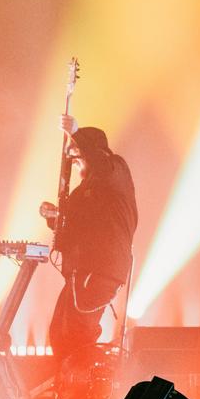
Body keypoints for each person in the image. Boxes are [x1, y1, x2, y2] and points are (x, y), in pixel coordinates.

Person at [39, 115, 138, 358]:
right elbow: (73, 228)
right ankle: (68, 386)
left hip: (100, 270)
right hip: (81, 271)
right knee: (60, 333)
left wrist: (76, 132)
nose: (74, 163)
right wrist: (53, 217)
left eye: (78, 156)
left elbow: (102, 165)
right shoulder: (83, 191)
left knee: (79, 332)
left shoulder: (115, 169)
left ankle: (88, 390)